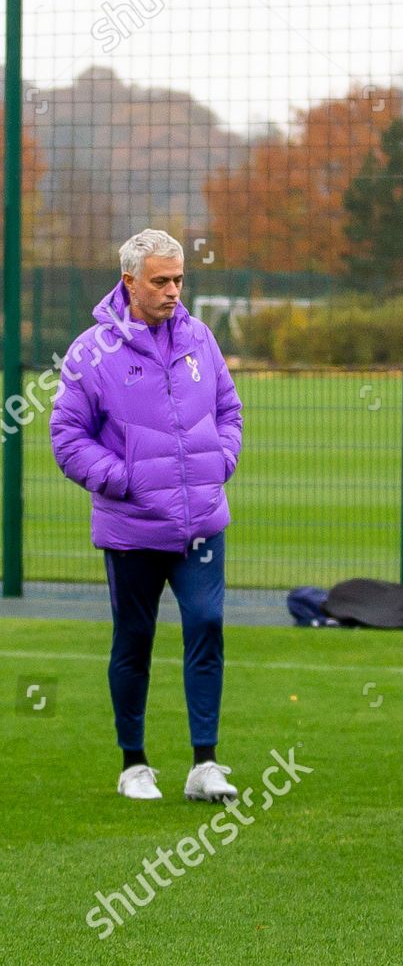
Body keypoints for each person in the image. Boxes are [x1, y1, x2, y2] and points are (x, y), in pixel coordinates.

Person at [50, 229, 243, 804]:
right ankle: (134, 764)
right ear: (129, 281)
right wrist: (125, 479)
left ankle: (204, 764)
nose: (173, 291)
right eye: (160, 281)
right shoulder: (91, 352)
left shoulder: (200, 339)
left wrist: (220, 462)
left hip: (202, 524)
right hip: (133, 529)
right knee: (134, 639)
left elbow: (229, 408)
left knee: (206, 626)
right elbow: (67, 437)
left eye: (179, 279)